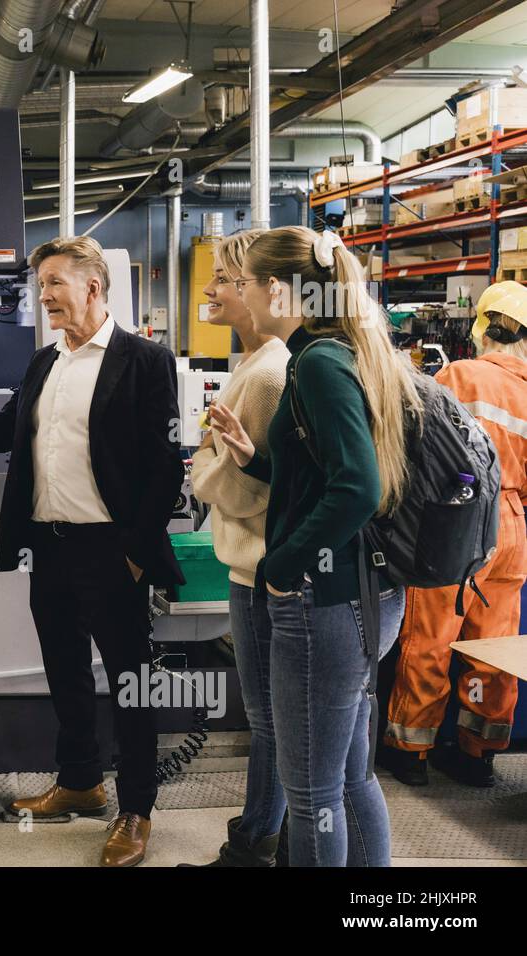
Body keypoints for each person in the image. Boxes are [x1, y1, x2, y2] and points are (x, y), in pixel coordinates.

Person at [0, 236, 183, 867]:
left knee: (132, 682)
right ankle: (82, 781)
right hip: (51, 547)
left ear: (93, 285)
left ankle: (136, 807)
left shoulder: (143, 360)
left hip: (113, 551)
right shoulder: (44, 363)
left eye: (55, 282)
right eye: (42, 284)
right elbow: (9, 436)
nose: (45, 295)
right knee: (64, 671)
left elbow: (164, 464)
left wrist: (138, 553)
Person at [209, 226, 418, 866]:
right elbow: (327, 475)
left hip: (324, 602)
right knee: (350, 778)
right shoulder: (340, 351)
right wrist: (259, 461)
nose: (236, 293)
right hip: (365, 594)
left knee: (311, 791)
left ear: (277, 289)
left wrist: (281, 565)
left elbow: (358, 486)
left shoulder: (320, 362)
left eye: (241, 283)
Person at [380, 281, 527, 787]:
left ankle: (410, 752)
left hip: (455, 520)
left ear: (481, 326)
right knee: (494, 641)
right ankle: (477, 752)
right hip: (511, 524)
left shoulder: (457, 375)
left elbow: (423, 450)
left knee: (431, 637)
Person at [186, 229, 290, 866]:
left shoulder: (269, 374)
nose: (211, 290)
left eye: (226, 280)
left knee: (270, 716)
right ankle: (256, 834)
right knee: (268, 715)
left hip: (261, 567)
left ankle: (255, 841)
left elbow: (245, 488)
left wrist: (200, 467)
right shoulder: (251, 366)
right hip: (249, 566)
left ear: (258, 293)